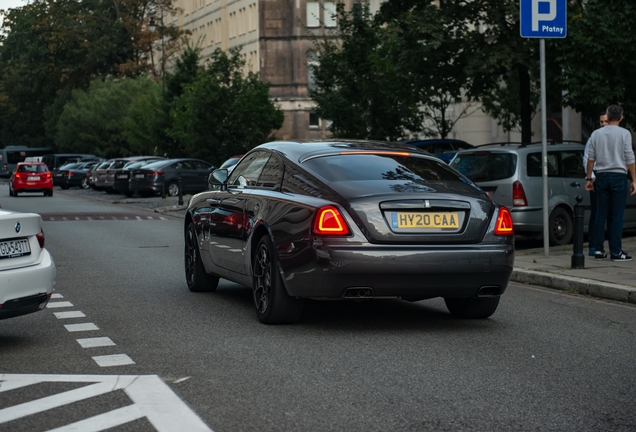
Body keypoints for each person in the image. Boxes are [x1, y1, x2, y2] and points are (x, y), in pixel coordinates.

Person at [585, 105, 636, 261]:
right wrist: (634, 179)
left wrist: (589, 178)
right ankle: (616, 251)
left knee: (600, 215)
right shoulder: (625, 134)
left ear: (607, 116)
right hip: (619, 176)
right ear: (621, 117)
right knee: (616, 216)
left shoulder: (596, 134)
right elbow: (629, 158)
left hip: (601, 176)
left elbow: (590, 158)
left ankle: (599, 250)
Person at [583, 112, 609, 255]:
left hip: (609, 176)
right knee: (596, 213)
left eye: (606, 121)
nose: (603, 124)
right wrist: (591, 177)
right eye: (601, 122)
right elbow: (587, 158)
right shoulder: (594, 137)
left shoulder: (616, 136)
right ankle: (594, 245)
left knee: (609, 213)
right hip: (597, 177)